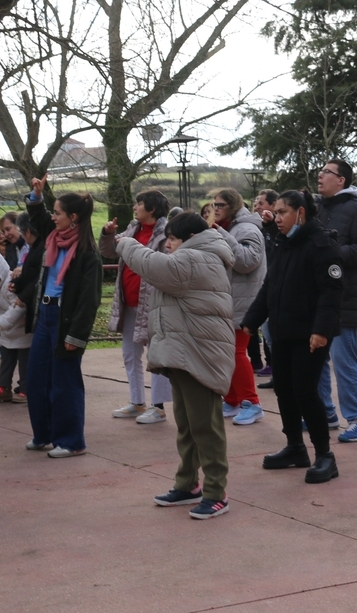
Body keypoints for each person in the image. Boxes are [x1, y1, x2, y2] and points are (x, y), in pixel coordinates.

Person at [117, 213, 236, 519]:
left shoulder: (198, 258)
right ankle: (187, 484)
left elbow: (155, 266)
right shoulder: (194, 257)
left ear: (190, 237)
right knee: (187, 426)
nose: (167, 244)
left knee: (206, 428)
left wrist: (128, 244)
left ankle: (216, 492)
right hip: (185, 353)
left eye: (171, 239)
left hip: (200, 354)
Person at [242, 190, 344, 483]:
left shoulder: (321, 245)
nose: (277, 218)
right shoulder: (284, 244)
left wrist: (322, 330)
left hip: (310, 335)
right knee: (284, 389)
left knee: (305, 391)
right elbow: (269, 287)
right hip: (283, 330)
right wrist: (251, 320)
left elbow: (331, 292)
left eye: (283, 212)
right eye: (276, 212)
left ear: (301, 213)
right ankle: (295, 447)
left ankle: (325, 455)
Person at [23, 176, 103, 458]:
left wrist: (76, 337)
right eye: (53, 212)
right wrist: (36, 194)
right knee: (35, 377)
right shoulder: (52, 237)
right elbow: (37, 214)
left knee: (64, 381)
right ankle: (43, 434)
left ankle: (71, 441)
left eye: (57, 213)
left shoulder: (88, 255)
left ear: (73, 217)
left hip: (65, 320)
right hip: (45, 314)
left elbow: (89, 301)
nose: (53, 218)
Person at [99, 191, 174, 424]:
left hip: (154, 305)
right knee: (130, 354)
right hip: (129, 303)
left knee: (157, 354)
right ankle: (137, 402)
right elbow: (109, 251)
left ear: (151, 209)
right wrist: (107, 234)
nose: (134, 207)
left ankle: (158, 407)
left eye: (139, 204)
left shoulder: (167, 234)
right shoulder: (132, 229)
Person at [314, 159, 357, 444]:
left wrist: (334, 251)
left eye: (327, 172)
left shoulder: (356, 209)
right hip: (318, 297)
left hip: (346, 297)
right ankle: (324, 412)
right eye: (321, 171)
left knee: (343, 361)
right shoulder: (316, 209)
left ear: (342, 180)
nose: (320, 175)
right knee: (317, 358)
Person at [210, 188, 267, 426]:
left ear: (232, 206)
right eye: (213, 204)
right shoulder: (231, 228)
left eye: (220, 205)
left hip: (244, 301)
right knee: (226, 353)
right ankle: (232, 400)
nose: (215, 209)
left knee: (236, 353)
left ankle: (251, 403)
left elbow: (246, 262)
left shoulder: (247, 228)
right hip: (229, 299)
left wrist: (223, 234)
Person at [0, 246, 28, 403]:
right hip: (6, 332)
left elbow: (18, 307)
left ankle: (26, 390)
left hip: (22, 330)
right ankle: (4, 388)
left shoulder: (10, 284)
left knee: (25, 363)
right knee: (6, 362)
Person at [253, 189, 279, 387]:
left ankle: (280, 375)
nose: (257, 206)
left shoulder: (278, 227)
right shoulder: (260, 228)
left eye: (261, 202)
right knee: (268, 335)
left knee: (273, 335)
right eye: (256, 202)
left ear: (273, 204)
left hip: (277, 288)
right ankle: (277, 375)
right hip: (266, 286)